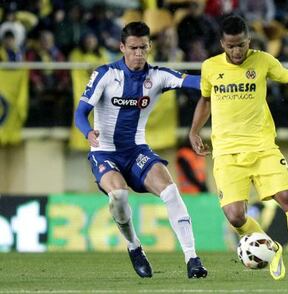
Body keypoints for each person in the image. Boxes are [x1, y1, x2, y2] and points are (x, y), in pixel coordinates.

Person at [189, 15, 288, 282]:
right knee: (234, 217)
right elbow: (206, 100)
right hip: (227, 153)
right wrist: (194, 130)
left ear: (249, 41)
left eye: (241, 45)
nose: (236, 51)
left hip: (262, 147)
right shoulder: (210, 67)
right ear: (222, 43)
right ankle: (272, 247)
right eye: (231, 46)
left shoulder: (264, 60)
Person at [74, 21, 208, 279]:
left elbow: (196, 82)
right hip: (105, 152)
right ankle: (134, 246)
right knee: (119, 197)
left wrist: (224, 76)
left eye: (143, 48)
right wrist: (88, 132)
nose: (138, 53)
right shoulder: (105, 74)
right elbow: (81, 112)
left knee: (170, 190)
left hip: (137, 151)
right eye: (133, 48)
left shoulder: (158, 76)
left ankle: (192, 259)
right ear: (122, 47)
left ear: (149, 47)